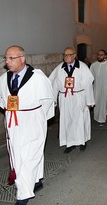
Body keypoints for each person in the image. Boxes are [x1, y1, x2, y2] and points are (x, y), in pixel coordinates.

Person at [0, 45, 55, 205]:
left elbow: (48, 100)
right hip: (13, 123)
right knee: (17, 155)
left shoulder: (37, 77)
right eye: (6, 58)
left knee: (29, 156)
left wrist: (38, 118)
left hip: (32, 121)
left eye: (12, 58)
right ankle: (36, 180)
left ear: (22, 59)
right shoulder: (4, 79)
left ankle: (23, 195)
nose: (7, 62)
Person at [49, 47, 94, 154]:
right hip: (65, 97)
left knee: (80, 119)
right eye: (64, 55)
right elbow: (54, 84)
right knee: (67, 119)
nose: (66, 57)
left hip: (79, 96)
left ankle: (82, 141)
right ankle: (70, 143)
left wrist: (89, 101)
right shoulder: (59, 68)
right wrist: (54, 100)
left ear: (74, 55)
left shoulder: (82, 67)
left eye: (69, 54)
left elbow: (88, 84)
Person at [90, 49, 107, 125]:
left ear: (104, 56)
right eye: (99, 54)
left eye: (101, 55)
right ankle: (98, 116)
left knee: (103, 102)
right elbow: (90, 77)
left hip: (105, 87)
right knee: (96, 102)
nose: (100, 56)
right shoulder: (93, 65)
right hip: (96, 87)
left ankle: (101, 119)